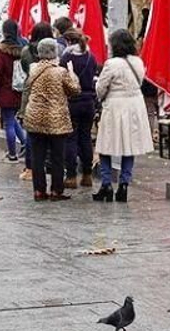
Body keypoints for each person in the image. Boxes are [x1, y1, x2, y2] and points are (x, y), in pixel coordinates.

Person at [93, 29, 152, 202]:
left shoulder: (112, 64)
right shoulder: (138, 62)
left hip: (114, 106)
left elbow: (101, 88)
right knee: (129, 146)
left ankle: (106, 184)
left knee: (106, 146)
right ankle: (124, 183)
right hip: (134, 106)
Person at [20, 38, 78, 200]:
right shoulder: (60, 72)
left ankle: (39, 190)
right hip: (56, 118)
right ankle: (56, 190)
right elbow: (74, 90)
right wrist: (72, 75)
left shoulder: (33, 69)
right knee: (57, 156)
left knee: (38, 156)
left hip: (35, 117)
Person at [60, 29, 101, 188]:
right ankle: (87, 175)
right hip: (89, 102)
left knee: (70, 139)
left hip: (72, 102)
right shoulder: (91, 57)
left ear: (68, 42)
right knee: (85, 138)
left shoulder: (66, 58)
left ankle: (71, 176)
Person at [0, 19, 28, 162]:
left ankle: (12, 154)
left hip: (5, 91)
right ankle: (24, 144)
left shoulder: (1, 52)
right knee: (13, 119)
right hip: (20, 90)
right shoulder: (23, 50)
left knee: (9, 123)